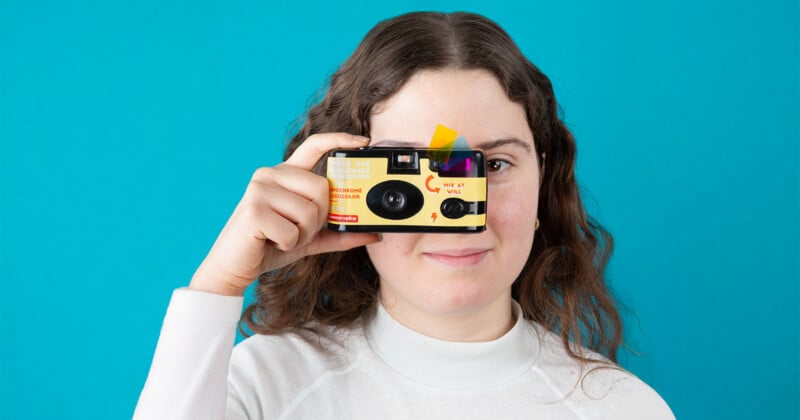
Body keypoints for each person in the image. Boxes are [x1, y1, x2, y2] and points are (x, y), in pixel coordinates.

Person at [134, 11, 674, 420]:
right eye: (410, 171)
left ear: (543, 180)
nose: (463, 208)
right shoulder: (266, 384)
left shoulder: (621, 408)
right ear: (344, 184)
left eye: (495, 163)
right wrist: (217, 286)